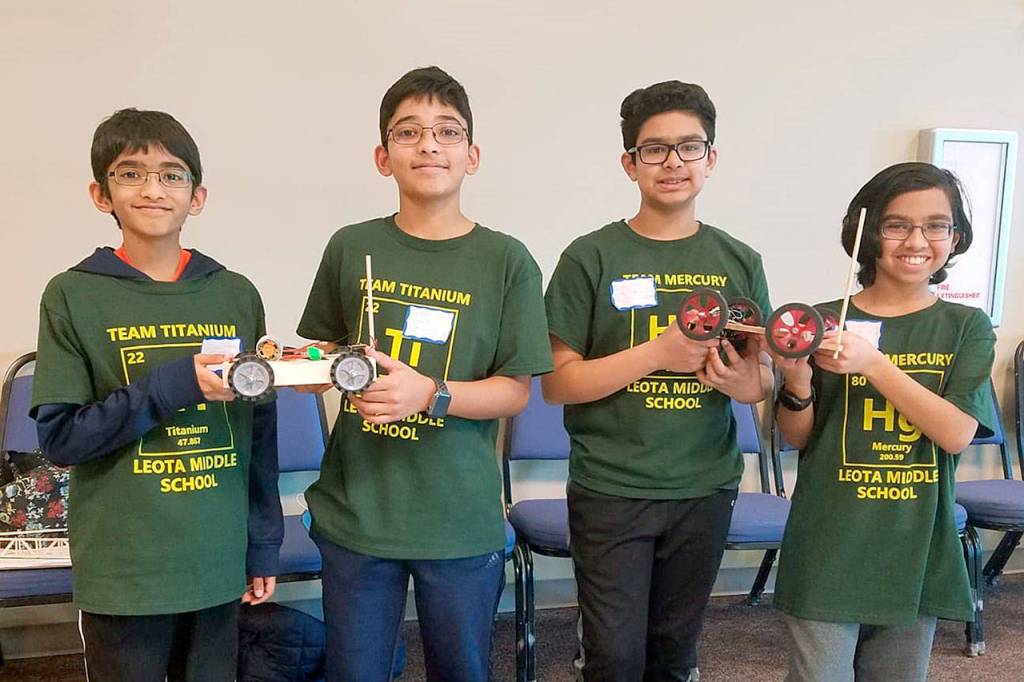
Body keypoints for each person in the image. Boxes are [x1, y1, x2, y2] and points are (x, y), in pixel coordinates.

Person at [296, 66, 552, 682]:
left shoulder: (506, 260)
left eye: (447, 131)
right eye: (409, 133)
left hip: (459, 517)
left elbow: (514, 392)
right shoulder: (349, 246)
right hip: (358, 510)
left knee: (461, 670)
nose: (429, 145)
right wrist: (311, 370)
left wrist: (429, 393)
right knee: (355, 671)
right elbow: (324, 352)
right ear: (384, 157)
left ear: (473, 154)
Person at [31, 108, 282, 681]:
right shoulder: (73, 295)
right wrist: (177, 383)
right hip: (126, 570)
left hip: (215, 560)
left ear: (197, 197)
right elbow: (63, 438)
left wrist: (262, 543)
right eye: (130, 173)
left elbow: (259, 429)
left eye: (172, 174)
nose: (152, 188)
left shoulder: (235, 293)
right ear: (101, 194)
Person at [542, 80, 772, 681]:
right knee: (615, 658)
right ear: (630, 163)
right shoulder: (590, 257)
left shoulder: (739, 260)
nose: (673, 162)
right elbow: (558, 385)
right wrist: (657, 352)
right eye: (655, 149)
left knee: (676, 652)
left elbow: (757, 386)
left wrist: (739, 381)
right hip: (612, 487)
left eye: (690, 147)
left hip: (705, 485)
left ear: (711, 159)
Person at [771, 162, 995, 682]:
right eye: (897, 225)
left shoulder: (966, 326)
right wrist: (798, 381)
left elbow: (957, 432)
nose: (916, 240)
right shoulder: (825, 319)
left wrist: (874, 364)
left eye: (936, 225)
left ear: (954, 236)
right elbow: (798, 436)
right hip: (828, 538)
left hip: (914, 543)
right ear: (867, 234)